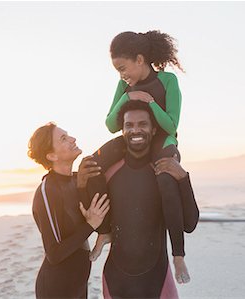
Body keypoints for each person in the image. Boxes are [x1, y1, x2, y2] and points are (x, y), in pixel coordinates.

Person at [88, 30, 198, 283]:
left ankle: (178, 255)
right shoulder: (124, 86)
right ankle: (104, 232)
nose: (121, 74)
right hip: (132, 138)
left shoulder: (168, 81)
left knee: (165, 178)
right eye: (117, 70)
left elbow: (171, 125)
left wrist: (149, 102)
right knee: (91, 164)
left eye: (123, 67)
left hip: (162, 140)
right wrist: (127, 96)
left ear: (140, 59)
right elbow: (111, 124)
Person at [101, 100, 197, 298]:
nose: (135, 130)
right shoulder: (110, 173)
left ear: (153, 130)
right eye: (129, 125)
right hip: (116, 280)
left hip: (157, 280)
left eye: (142, 124)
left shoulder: (164, 172)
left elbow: (189, 223)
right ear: (122, 131)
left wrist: (183, 179)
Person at [28, 122, 110, 299]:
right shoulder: (47, 190)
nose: (73, 139)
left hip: (79, 286)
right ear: (51, 155)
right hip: (56, 289)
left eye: (68, 135)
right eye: (63, 139)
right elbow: (54, 254)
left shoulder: (76, 180)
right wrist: (91, 225)